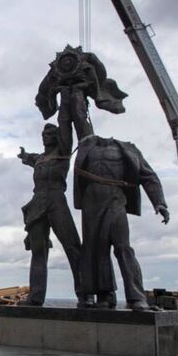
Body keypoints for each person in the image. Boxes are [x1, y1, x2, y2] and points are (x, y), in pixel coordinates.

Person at [71, 89, 169, 310]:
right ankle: (105, 297)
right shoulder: (88, 145)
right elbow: (79, 116)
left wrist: (159, 202)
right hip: (91, 204)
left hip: (116, 201)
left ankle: (137, 297)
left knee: (123, 247)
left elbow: (149, 176)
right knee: (95, 250)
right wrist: (78, 91)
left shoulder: (128, 149)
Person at [18, 88, 87, 308]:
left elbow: (65, 124)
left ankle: (85, 295)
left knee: (73, 247)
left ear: (57, 137)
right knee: (38, 251)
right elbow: (30, 158)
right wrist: (24, 155)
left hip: (57, 201)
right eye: (43, 136)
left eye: (50, 135)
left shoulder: (63, 152)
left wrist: (66, 98)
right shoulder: (39, 159)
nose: (46, 138)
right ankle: (35, 297)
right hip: (38, 203)